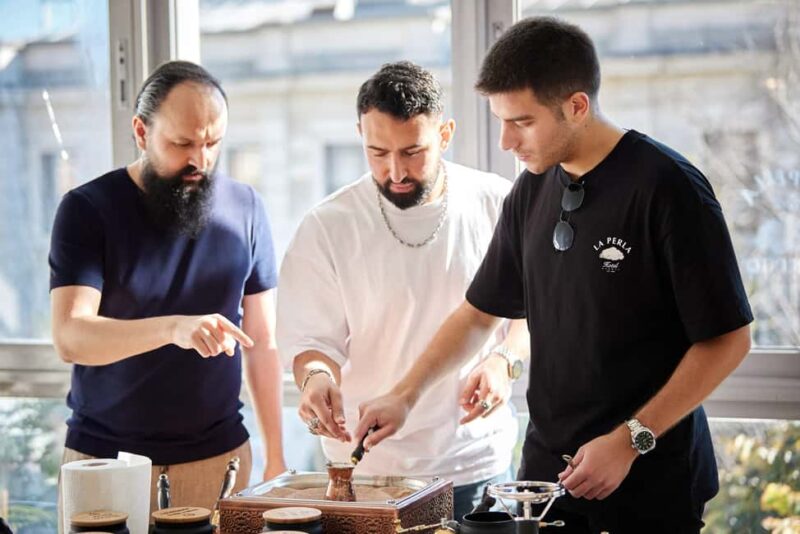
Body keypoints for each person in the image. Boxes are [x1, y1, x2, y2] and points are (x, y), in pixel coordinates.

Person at [355, 18, 753, 533]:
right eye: (500, 120)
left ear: (577, 106)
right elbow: (479, 313)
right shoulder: (530, 191)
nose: (505, 141)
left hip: (649, 479)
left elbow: (728, 339)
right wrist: (404, 395)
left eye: (521, 122)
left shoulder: (668, 188)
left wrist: (629, 440)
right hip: (547, 481)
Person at [276, 61, 529, 520]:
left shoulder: (498, 203)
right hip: (365, 472)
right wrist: (316, 380)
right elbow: (311, 344)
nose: (396, 171)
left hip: (474, 464)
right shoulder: (326, 226)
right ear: (359, 134)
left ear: (446, 133)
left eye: (413, 151)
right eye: (378, 152)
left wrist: (503, 360)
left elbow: (531, 310)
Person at [49, 61, 286, 527]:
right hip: (104, 464)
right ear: (141, 131)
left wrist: (276, 454)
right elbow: (70, 336)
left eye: (212, 142)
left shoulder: (248, 207)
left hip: (221, 460)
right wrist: (175, 328)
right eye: (182, 143)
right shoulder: (86, 210)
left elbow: (262, 341)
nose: (200, 159)